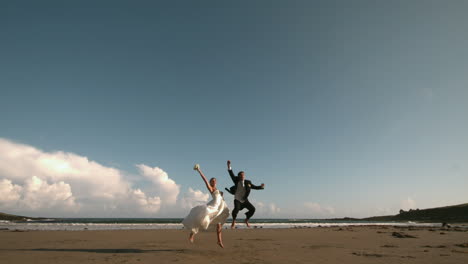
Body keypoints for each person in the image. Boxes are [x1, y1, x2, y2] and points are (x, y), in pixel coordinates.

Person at [182, 164, 230, 248]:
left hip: (219, 208)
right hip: (212, 208)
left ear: (216, 182)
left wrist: (223, 199)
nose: (213, 182)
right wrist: (199, 171)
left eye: (215, 181)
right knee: (201, 222)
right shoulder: (211, 188)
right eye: (212, 181)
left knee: (219, 225)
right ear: (210, 182)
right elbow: (205, 180)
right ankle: (192, 234)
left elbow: (221, 199)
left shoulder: (218, 190)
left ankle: (219, 241)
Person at [226, 160, 265, 229]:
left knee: (253, 209)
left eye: (243, 175)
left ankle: (246, 220)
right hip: (237, 199)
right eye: (241, 175)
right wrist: (229, 166)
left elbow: (254, 187)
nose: (242, 176)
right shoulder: (236, 180)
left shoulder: (248, 182)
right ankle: (234, 221)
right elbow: (231, 174)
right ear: (238, 176)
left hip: (244, 200)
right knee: (236, 210)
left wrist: (261, 187)